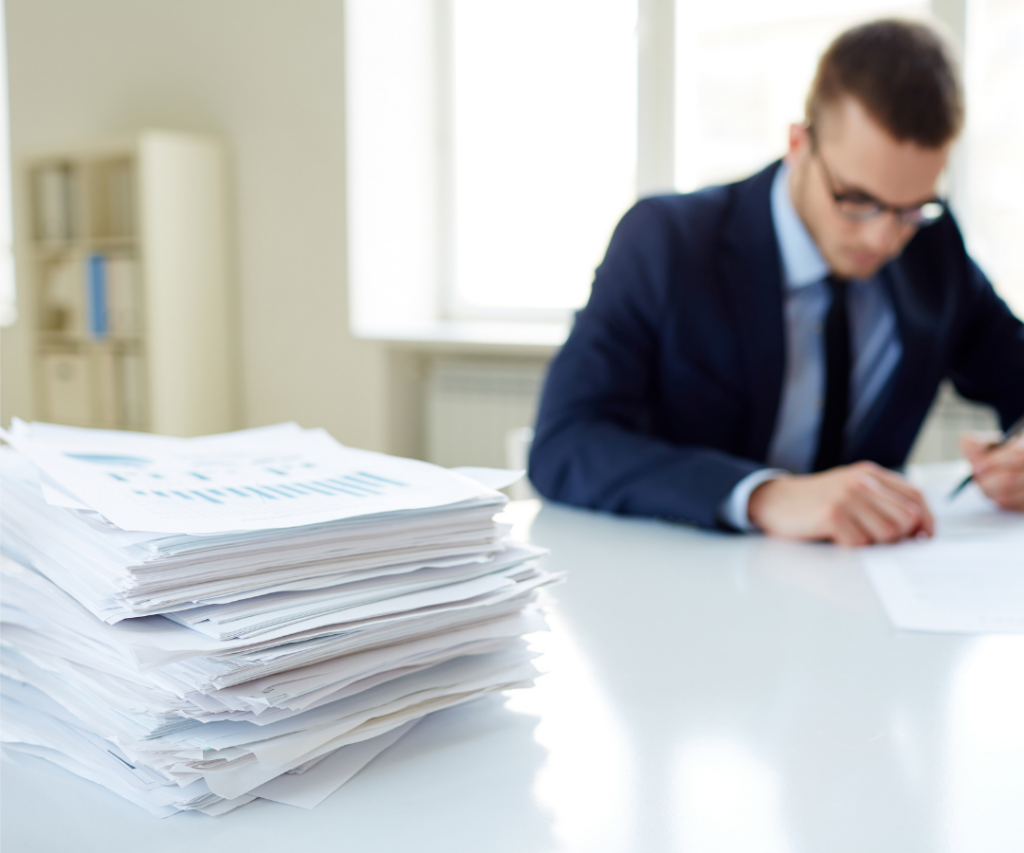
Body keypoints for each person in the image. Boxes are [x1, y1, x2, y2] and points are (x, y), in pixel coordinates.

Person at [528, 19, 1024, 547]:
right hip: (685, 585)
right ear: (799, 144)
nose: (883, 238)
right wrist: (765, 495)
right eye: (857, 200)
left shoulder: (933, 244)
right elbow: (566, 443)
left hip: (870, 591)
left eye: (910, 208)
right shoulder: (668, 242)